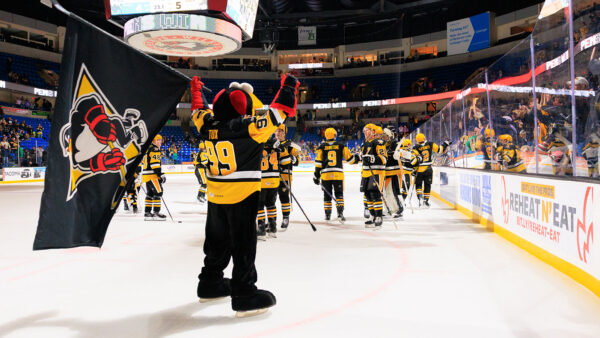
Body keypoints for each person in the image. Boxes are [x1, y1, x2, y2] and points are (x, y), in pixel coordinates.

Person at [191, 74, 298, 316]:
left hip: (216, 195)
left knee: (216, 242)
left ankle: (210, 283)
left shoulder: (207, 125)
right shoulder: (248, 128)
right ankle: (244, 292)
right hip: (242, 194)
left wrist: (195, 90)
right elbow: (280, 112)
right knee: (243, 245)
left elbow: (198, 109)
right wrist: (289, 85)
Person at [313, 127, 356, 222]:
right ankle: (340, 213)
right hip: (338, 174)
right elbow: (350, 159)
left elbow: (318, 162)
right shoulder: (341, 145)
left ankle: (327, 215)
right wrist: (357, 158)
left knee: (327, 195)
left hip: (325, 175)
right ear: (335, 135)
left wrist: (316, 175)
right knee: (339, 194)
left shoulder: (321, 147)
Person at [257, 137, 287, 240]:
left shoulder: (257, 141)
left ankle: (261, 230)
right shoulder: (277, 143)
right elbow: (286, 161)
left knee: (260, 205)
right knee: (271, 204)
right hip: (274, 179)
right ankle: (272, 229)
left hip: (261, 180)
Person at [358, 124, 387, 229]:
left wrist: (372, 159)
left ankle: (379, 217)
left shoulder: (378, 142)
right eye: (364, 130)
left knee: (375, 195)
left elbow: (384, 158)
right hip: (366, 173)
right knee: (367, 195)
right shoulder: (364, 143)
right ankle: (372, 216)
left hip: (376, 173)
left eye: (367, 130)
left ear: (373, 131)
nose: (365, 132)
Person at [413, 133, 449, 207]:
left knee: (418, 185)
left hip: (419, 169)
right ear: (424, 138)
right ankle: (426, 201)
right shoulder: (430, 143)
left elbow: (414, 159)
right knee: (427, 185)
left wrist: (414, 170)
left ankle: (420, 197)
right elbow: (440, 150)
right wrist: (446, 144)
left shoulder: (415, 147)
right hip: (428, 168)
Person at [274, 124, 299, 231]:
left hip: (284, 175)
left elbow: (297, 161)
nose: (278, 132)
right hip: (272, 176)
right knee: (270, 199)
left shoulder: (291, 145)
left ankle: (285, 217)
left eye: (280, 131)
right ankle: (272, 220)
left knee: (284, 197)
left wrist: (291, 159)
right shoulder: (272, 144)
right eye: (277, 130)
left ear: (285, 133)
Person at [142, 134, 167, 221]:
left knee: (150, 194)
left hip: (146, 175)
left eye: (160, 140)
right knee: (158, 192)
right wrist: (161, 174)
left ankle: (147, 213)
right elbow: (155, 164)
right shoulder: (155, 149)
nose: (160, 142)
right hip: (152, 175)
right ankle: (156, 213)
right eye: (158, 140)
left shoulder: (148, 148)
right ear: (154, 141)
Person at [382, 128, 404, 218]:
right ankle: (392, 208)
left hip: (393, 172)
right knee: (388, 191)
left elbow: (402, 154)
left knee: (391, 191)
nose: (384, 137)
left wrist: (399, 155)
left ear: (389, 136)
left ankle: (398, 209)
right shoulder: (383, 144)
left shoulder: (395, 144)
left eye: (385, 136)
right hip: (386, 172)